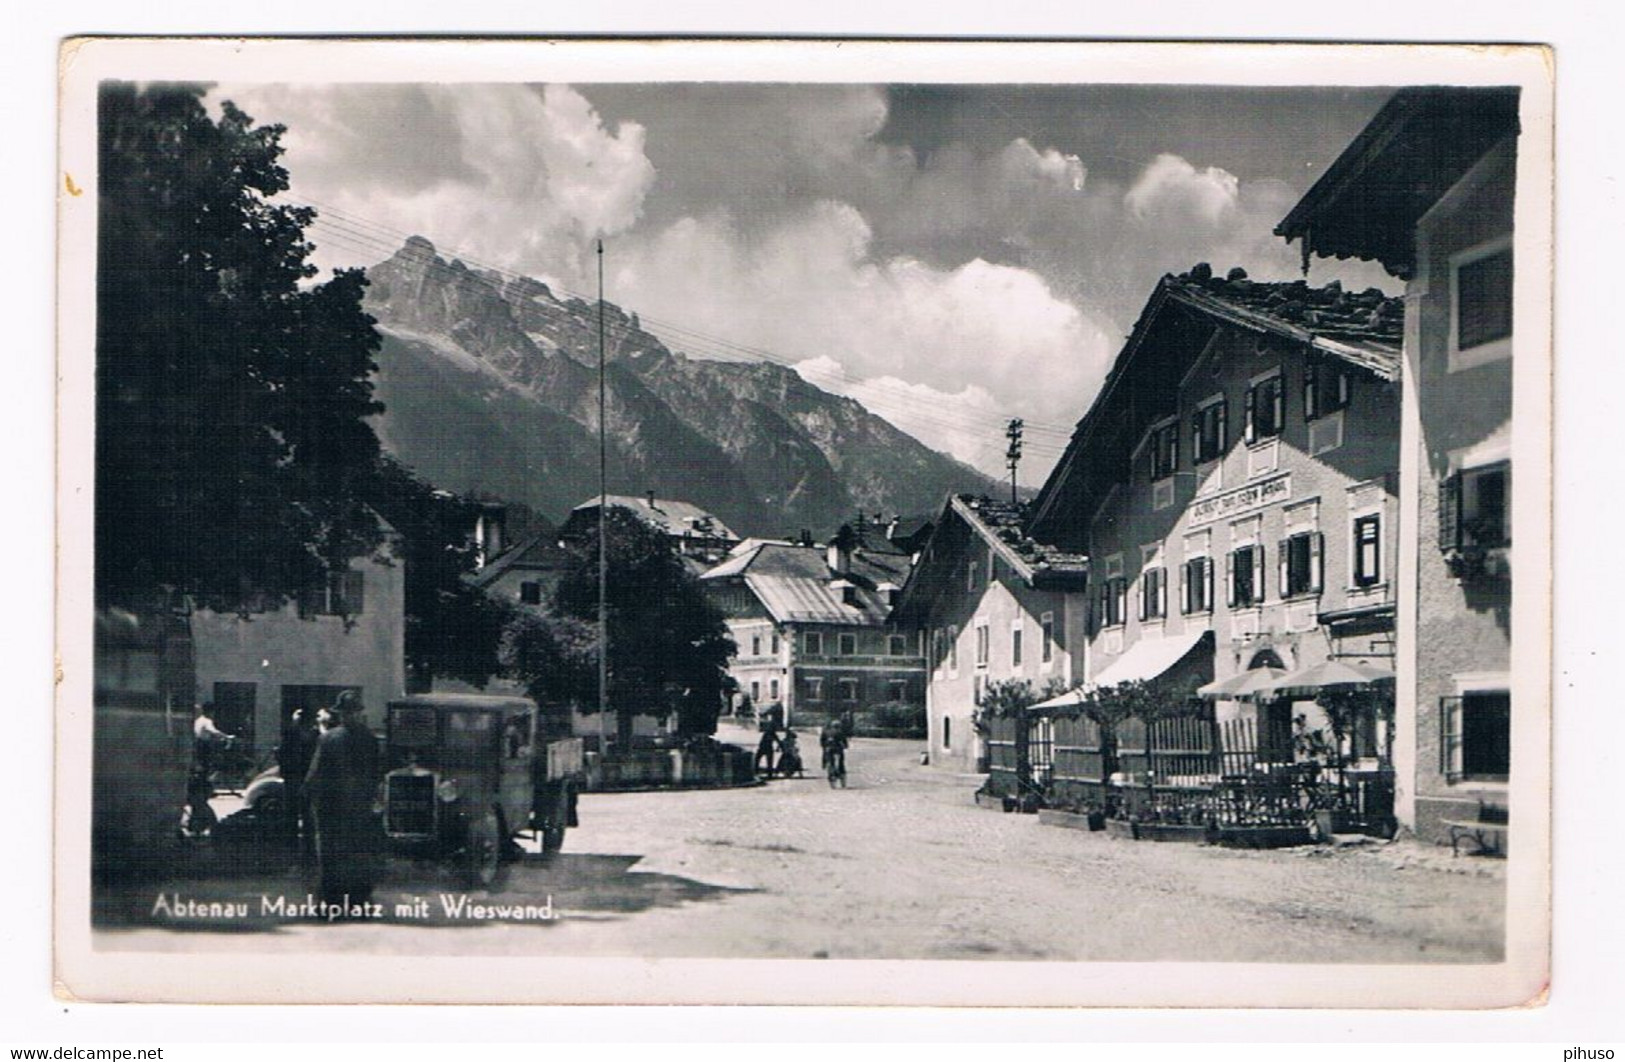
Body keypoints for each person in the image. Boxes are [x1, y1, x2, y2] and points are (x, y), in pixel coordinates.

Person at [304, 691, 382, 907]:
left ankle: (331, 898)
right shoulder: (370, 739)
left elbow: (314, 774)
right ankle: (360, 897)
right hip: (359, 806)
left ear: (341, 715)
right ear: (358, 713)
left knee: (331, 852)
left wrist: (310, 798)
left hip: (331, 806)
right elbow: (377, 772)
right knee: (358, 851)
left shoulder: (328, 738)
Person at [181, 704, 233, 838]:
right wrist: (226, 737)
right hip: (203, 751)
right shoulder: (206, 721)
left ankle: (196, 822)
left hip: (198, 751)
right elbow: (213, 731)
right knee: (204, 778)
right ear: (211, 712)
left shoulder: (197, 721)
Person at [276, 707, 320, 859]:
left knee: (292, 814)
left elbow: (281, 754)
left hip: (294, 778)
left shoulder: (291, 734)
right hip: (305, 778)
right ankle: (308, 849)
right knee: (307, 815)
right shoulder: (315, 736)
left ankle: (292, 846)